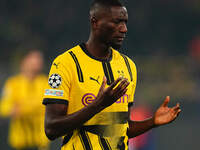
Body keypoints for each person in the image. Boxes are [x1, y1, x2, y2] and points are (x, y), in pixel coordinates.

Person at [42, 0, 181, 150]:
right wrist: (98, 105)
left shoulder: (128, 66)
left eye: (125, 22)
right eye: (117, 22)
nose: (124, 29)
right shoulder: (66, 63)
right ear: (95, 22)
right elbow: (51, 129)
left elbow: (122, 127)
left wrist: (152, 122)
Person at [0, 50, 49, 150]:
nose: (38, 62)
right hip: (20, 142)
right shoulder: (13, 84)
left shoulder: (46, 82)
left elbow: (50, 106)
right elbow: (4, 107)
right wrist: (11, 110)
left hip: (41, 142)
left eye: (39, 59)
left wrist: (23, 107)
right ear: (24, 61)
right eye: (34, 58)